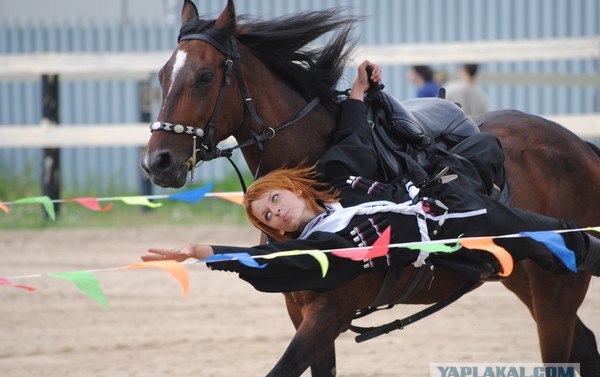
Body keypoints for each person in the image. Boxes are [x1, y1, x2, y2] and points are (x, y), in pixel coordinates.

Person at [141, 61, 600, 293]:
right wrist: (204, 253)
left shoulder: (335, 176)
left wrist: (360, 90)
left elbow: (355, 135)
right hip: (453, 233)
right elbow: (269, 269)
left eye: (274, 200)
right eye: (270, 219)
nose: (277, 212)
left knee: (559, 237)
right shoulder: (324, 245)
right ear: (279, 232)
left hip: (452, 199)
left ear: (292, 187)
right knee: (544, 240)